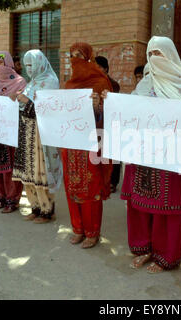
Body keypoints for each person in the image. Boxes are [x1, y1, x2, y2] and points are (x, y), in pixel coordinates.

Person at [108, 36, 181, 273]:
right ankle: (143, 248)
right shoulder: (144, 85)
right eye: (151, 54)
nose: (154, 58)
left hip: (171, 158)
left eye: (159, 53)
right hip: (142, 155)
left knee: (166, 209)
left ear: (170, 54)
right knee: (139, 206)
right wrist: (110, 103)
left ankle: (165, 256)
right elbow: (130, 113)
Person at [61, 42, 113, 249]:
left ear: (89, 57)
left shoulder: (100, 83)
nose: (75, 60)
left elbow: (109, 115)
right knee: (72, 186)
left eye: (79, 56)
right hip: (71, 144)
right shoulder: (69, 85)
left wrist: (97, 107)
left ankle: (93, 231)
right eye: (71, 55)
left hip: (91, 143)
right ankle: (78, 228)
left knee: (91, 187)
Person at [11, 49, 63, 223]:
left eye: (31, 64)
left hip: (42, 134)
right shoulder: (32, 83)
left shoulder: (51, 81)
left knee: (42, 170)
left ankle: (47, 211)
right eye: (26, 65)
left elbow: (50, 108)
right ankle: (35, 207)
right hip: (27, 132)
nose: (29, 68)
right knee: (29, 171)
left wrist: (27, 101)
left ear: (40, 62)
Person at [0, 51, 26, 213]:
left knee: (10, 166)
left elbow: (22, 104)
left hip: (11, 129)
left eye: (1, 62)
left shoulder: (19, 81)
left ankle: (12, 199)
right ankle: (0, 198)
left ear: (8, 63)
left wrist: (9, 98)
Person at [95, 55, 122, 193]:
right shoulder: (92, 83)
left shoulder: (113, 84)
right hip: (98, 123)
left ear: (106, 68)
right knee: (101, 154)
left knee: (114, 154)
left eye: (99, 66)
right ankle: (103, 180)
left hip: (111, 123)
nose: (97, 69)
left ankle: (113, 182)